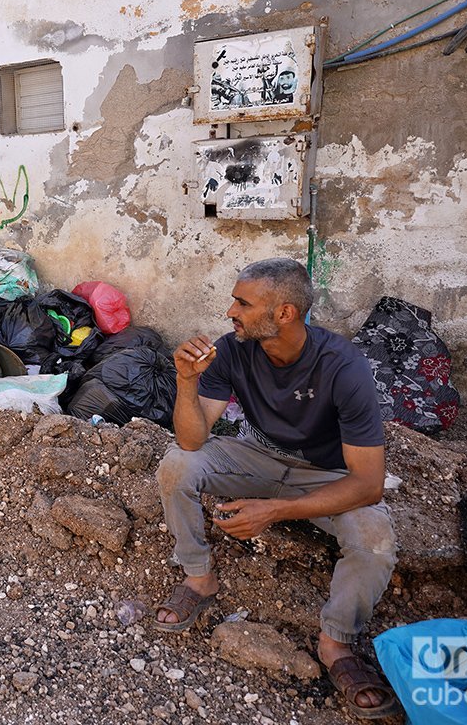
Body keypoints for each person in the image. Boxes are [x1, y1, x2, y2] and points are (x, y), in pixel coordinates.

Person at [152, 257, 401, 720]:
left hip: (328, 474)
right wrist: (186, 382)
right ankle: (198, 577)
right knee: (176, 466)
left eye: (242, 303)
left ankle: (336, 644)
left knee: (374, 539)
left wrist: (273, 511)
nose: (231, 311)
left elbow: (367, 483)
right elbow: (191, 439)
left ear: (284, 313)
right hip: (258, 456)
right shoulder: (232, 350)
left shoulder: (343, 367)